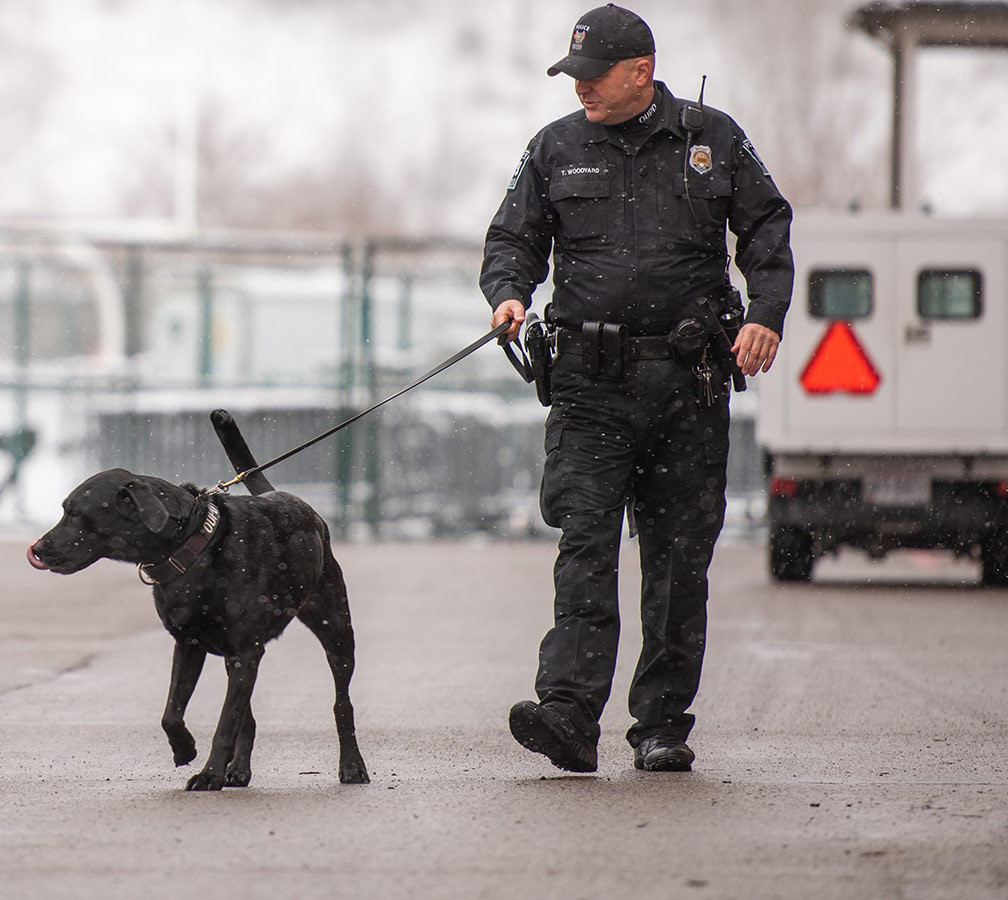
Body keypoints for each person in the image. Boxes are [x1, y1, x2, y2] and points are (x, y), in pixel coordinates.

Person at [479, 4, 794, 773]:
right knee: (584, 548)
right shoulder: (554, 147)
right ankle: (568, 715)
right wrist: (509, 293)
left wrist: (766, 316)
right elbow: (512, 238)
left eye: (592, 76)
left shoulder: (711, 139)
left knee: (678, 563)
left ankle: (660, 725)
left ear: (640, 73)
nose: (580, 88)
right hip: (589, 386)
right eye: (573, 75)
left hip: (688, 385)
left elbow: (767, 228)